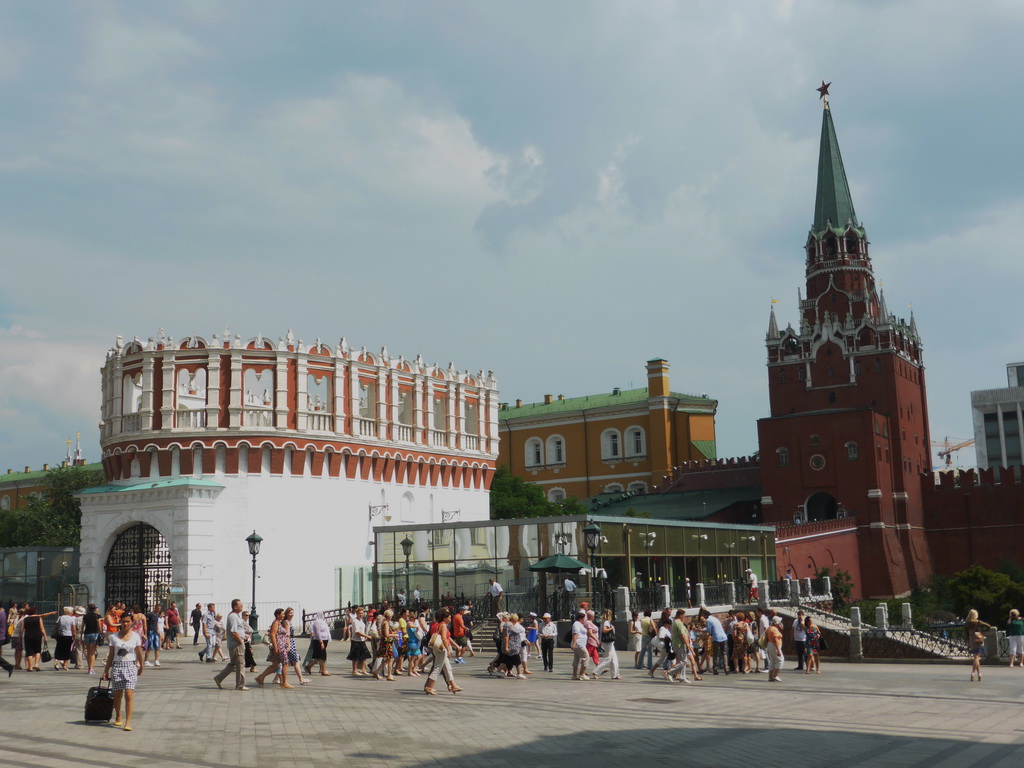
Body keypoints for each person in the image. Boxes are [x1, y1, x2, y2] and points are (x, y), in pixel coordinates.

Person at [102, 612, 144, 731]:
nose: (125, 624)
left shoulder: (136, 636)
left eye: (128, 621)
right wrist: (106, 670)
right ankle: (118, 715)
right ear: (120, 622)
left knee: (129, 694)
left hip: (130, 666)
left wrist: (141, 666)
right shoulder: (113, 637)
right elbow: (111, 655)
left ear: (132, 622)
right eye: (123, 621)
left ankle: (128, 721)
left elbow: (138, 652)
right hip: (117, 667)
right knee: (118, 694)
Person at [424, 608, 460, 695]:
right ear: (444, 618)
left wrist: (455, 646)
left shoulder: (438, 624)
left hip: (438, 648)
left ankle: (453, 685)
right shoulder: (443, 625)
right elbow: (444, 638)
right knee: (437, 668)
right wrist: (448, 650)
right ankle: (429, 687)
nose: (450, 619)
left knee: (447, 668)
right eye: (449, 618)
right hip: (441, 649)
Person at [214, 599, 248, 690]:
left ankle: (219, 678)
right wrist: (240, 641)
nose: (242, 606)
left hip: (235, 643)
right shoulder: (233, 616)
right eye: (240, 605)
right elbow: (233, 631)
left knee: (233, 664)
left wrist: (244, 636)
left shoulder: (235, 616)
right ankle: (240, 685)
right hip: (236, 644)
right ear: (235, 607)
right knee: (240, 664)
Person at [255, 608, 287, 688]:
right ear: (278, 615)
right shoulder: (276, 623)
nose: (283, 615)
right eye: (282, 614)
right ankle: (284, 683)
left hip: (281, 646)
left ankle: (261, 677)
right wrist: (276, 647)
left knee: (275, 665)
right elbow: (273, 635)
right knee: (284, 663)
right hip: (279, 646)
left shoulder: (280, 623)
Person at [592, 608, 621, 680]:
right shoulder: (606, 622)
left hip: (609, 642)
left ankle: (615, 674)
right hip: (608, 642)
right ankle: (596, 671)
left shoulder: (604, 622)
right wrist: (612, 628)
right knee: (608, 658)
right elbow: (604, 630)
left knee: (614, 658)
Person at [965, 609, 991, 682]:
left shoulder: (966, 624)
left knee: (976, 657)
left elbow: (966, 635)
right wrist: (984, 633)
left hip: (971, 640)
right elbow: (988, 626)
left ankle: (979, 673)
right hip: (979, 640)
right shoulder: (978, 622)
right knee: (976, 657)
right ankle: (973, 673)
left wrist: (968, 643)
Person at [701, 609, 729, 675]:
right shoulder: (715, 618)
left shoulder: (708, 620)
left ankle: (715, 669)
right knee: (724, 653)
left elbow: (709, 630)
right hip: (723, 636)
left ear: (705, 615)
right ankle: (726, 668)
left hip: (716, 637)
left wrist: (703, 630)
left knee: (715, 654)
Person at [347, 606, 371, 676]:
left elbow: (362, 630)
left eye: (362, 613)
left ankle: (363, 669)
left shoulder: (361, 621)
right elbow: (357, 632)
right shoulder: (355, 621)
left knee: (364, 655)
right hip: (356, 640)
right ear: (357, 613)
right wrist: (367, 636)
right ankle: (354, 670)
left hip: (362, 640)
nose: (361, 614)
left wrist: (365, 636)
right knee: (355, 656)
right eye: (360, 613)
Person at [306, 611, 331, 676]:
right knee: (321, 656)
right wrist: (321, 642)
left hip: (324, 640)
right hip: (319, 641)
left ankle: (311, 667)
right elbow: (317, 632)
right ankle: (322, 670)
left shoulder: (323, 622)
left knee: (320, 656)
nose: (324, 616)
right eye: (323, 615)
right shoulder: (317, 622)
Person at [81, 603, 102, 675]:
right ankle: (91, 668)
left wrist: (81, 636)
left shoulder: (85, 616)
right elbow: (99, 626)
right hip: (95, 634)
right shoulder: (97, 616)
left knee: (88, 652)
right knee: (93, 652)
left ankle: (89, 667)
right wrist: (101, 632)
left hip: (87, 634)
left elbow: (82, 627)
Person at [53, 606, 77, 671]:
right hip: (68, 635)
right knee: (67, 650)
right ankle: (65, 665)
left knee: (58, 648)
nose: (72, 613)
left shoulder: (60, 617)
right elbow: (74, 629)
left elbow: (56, 626)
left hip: (60, 635)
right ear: (69, 612)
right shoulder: (72, 619)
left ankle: (56, 661)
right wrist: (74, 637)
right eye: (72, 612)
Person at [570, 610, 590, 681]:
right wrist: (575, 643)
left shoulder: (580, 624)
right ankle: (582, 674)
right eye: (585, 618)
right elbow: (575, 633)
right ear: (582, 618)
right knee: (586, 657)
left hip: (580, 644)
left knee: (577, 659)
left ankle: (574, 675)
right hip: (579, 644)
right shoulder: (577, 624)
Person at [766, 615, 784, 681]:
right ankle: (775, 675)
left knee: (772, 661)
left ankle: (770, 677)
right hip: (774, 645)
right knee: (780, 660)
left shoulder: (770, 628)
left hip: (770, 645)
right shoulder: (774, 630)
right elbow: (776, 640)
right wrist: (778, 650)